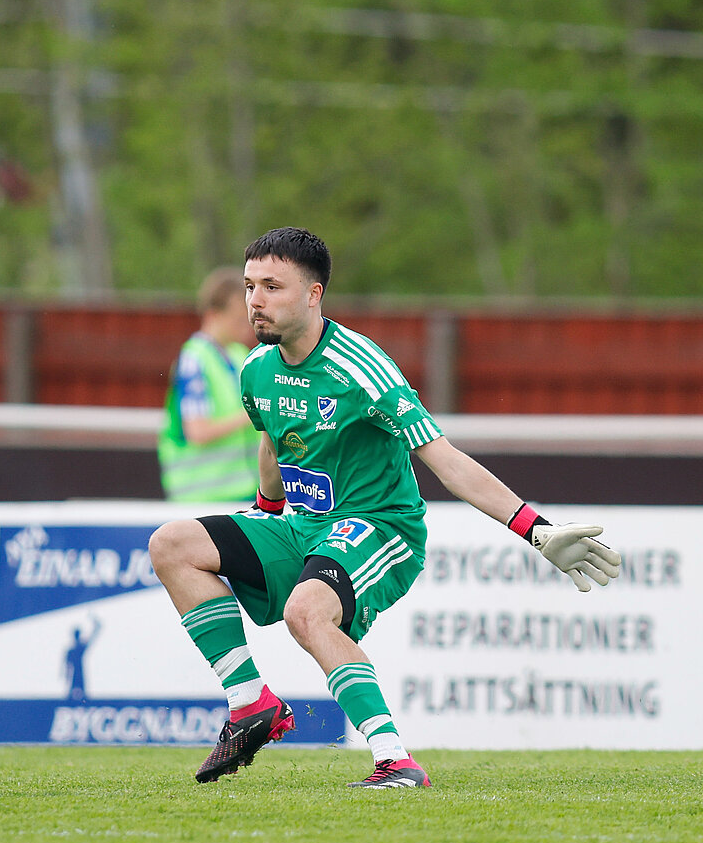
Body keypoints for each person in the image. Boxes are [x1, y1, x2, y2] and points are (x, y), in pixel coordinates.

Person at [148, 227, 621, 789]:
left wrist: (537, 530)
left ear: (313, 294)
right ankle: (251, 705)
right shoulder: (255, 369)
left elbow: (444, 459)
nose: (255, 301)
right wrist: (265, 511)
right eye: (250, 286)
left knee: (306, 612)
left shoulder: (361, 366)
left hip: (380, 527)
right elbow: (273, 438)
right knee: (171, 544)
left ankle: (395, 761)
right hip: (300, 523)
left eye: (272, 286)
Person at [158, 268, 262, 502]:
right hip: (201, 496)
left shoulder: (239, 354)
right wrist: (254, 413)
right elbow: (198, 431)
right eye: (238, 319)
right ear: (214, 315)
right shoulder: (194, 360)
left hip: (244, 491)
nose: (246, 326)